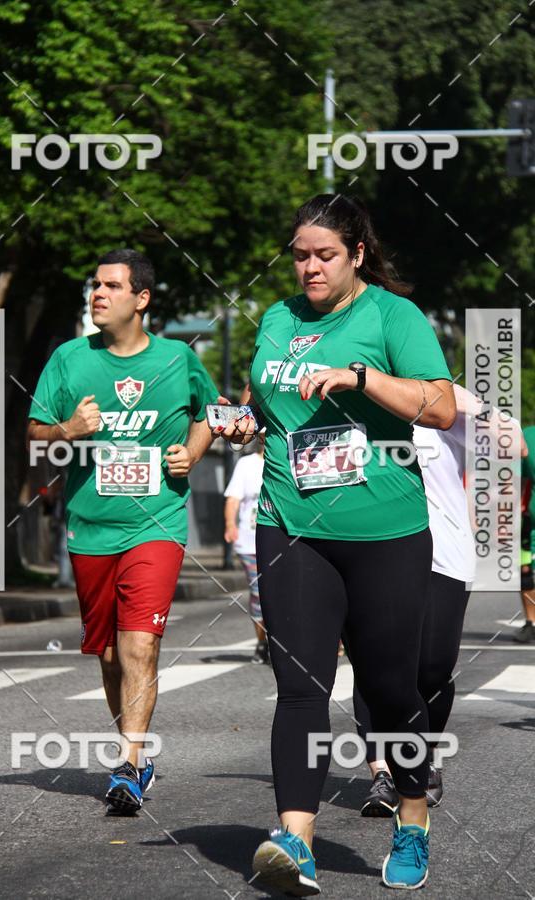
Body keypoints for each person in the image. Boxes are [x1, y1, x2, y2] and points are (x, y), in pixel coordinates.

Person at [217, 194, 456, 893]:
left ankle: (412, 818)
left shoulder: (392, 316)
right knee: (300, 686)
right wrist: (245, 423)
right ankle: (296, 841)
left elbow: (440, 406)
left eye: (325, 255)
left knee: (389, 686)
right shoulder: (277, 319)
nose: (310, 267)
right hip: (292, 524)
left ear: (357, 253)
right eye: (300, 255)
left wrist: (360, 378)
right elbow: (270, 408)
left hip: (385, 530)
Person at [27, 248, 219, 814]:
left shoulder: (177, 359)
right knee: (110, 655)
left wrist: (192, 452)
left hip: (157, 522)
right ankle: (132, 751)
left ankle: (130, 764)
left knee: (140, 643)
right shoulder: (69, 359)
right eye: (96, 284)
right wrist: (69, 428)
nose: (98, 294)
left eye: (112, 286)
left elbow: (211, 413)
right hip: (91, 527)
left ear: (141, 298)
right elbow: (36, 432)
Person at [355, 386, 526, 816]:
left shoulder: (440, 399)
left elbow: (516, 446)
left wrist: (475, 405)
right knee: (374, 665)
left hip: (444, 555)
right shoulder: (352, 392)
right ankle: (383, 774)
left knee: (433, 667)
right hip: (371, 549)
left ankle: (422, 755)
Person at [224, 433, 268, 664]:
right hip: (249, 543)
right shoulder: (246, 464)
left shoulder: (290, 459)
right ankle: (262, 642)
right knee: (259, 594)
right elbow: (233, 499)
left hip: (284, 541)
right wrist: (230, 525)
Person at [515, 425, 535, 642]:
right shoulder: (527, 436)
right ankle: (531, 622)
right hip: (530, 522)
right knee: (526, 572)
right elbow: (516, 478)